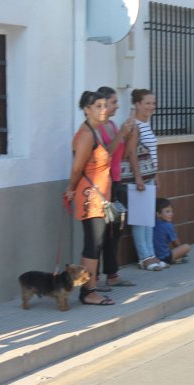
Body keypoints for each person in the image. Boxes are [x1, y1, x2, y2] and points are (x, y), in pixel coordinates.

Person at [65, 91, 114, 306]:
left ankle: (89, 287)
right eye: (98, 106)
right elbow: (77, 168)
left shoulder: (96, 131)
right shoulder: (86, 135)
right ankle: (88, 291)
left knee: (96, 242)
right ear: (86, 109)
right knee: (92, 244)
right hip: (90, 197)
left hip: (98, 197)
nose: (103, 110)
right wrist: (70, 188)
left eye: (105, 105)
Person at [94, 86, 136, 289]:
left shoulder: (111, 125)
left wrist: (130, 134)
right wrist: (121, 134)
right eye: (114, 102)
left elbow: (124, 154)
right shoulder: (99, 128)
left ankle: (112, 274)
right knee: (101, 233)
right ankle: (94, 279)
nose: (117, 106)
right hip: (104, 185)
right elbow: (106, 154)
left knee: (115, 231)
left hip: (117, 182)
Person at [127, 89, 168, 271]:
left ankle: (151, 255)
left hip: (149, 176)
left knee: (148, 218)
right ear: (137, 104)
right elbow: (132, 153)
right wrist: (138, 177)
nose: (151, 106)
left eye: (153, 103)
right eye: (147, 103)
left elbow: (150, 153)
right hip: (140, 179)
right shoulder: (134, 125)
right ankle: (144, 257)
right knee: (140, 218)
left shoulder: (145, 123)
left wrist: (156, 174)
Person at [153, 198, 191, 264]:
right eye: (167, 211)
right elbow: (176, 243)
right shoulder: (168, 225)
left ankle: (175, 259)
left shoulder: (153, 223)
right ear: (158, 214)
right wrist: (181, 253)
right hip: (165, 257)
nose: (171, 214)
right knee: (186, 247)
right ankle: (174, 259)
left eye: (171, 211)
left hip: (153, 258)